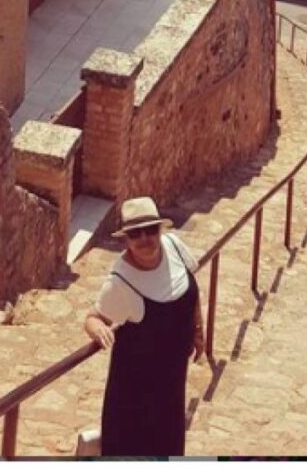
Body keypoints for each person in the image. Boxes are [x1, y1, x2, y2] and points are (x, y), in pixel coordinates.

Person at [83, 196, 204, 457]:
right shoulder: (121, 281)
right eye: (136, 234)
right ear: (125, 239)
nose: (146, 239)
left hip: (172, 380)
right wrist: (97, 329)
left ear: (160, 230)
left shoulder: (174, 246)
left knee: (169, 445)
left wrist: (197, 329)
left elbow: (191, 288)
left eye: (151, 230)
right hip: (135, 392)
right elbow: (93, 317)